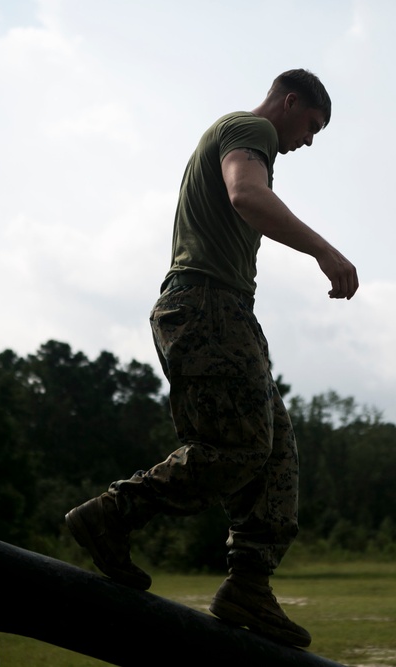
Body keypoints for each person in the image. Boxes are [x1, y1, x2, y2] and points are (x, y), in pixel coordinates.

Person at [65, 68, 357, 648]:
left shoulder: (247, 137)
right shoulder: (251, 130)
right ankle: (114, 514)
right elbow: (246, 194)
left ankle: (249, 584)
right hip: (203, 305)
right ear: (290, 101)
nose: (309, 141)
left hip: (223, 310)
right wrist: (325, 251)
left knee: (275, 450)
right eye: (312, 125)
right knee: (242, 446)